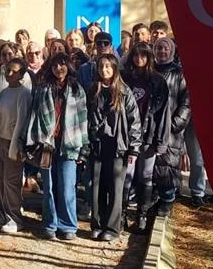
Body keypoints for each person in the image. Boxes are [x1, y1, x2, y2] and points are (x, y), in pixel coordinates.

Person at [22, 53, 89, 240]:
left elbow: (83, 120)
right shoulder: (43, 88)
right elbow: (34, 114)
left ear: (68, 66)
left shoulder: (77, 89)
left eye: (62, 65)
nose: (59, 69)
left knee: (68, 187)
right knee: (49, 187)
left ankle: (68, 225)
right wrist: (30, 140)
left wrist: (84, 147)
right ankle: (50, 223)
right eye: (55, 66)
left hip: (70, 144)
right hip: (47, 144)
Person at [87, 54, 141, 242]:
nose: (104, 70)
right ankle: (97, 224)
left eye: (108, 67)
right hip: (97, 145)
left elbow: (135, 121)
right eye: (101, 67)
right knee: (96, 187)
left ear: (115, 69)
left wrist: (134, 148)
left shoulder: (124, 92)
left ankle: (112, 227)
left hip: (118, 147)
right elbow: (86, 117)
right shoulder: (93, 90)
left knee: (116, 188)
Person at [123, 43, 169, 231]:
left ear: (149, 57)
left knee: (145, 176)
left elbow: (163, 113)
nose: (139, 59)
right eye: (136, 55)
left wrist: (161, 142)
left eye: (143, 56)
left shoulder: (158, 81)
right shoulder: (125, 77)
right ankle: (122, 214)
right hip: (127, 134)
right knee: (127, 175)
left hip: (149, 135)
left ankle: (141, 216)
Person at [0, 58, 32, 234]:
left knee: (11, 182)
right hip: (0, 138)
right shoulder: (5, 91)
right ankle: (4, 215)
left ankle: (14, 217)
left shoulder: (24, 94)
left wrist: (16, 147)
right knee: (0, 180)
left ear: (21, 74)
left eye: (14, 71)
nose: (9, 74)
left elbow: (22, 121)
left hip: (12, 142)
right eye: (7, 70)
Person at [152, 37, 189, 216]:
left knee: (168, 164)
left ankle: (167, 199)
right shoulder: (149, 70)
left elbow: (186, 102)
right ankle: (153, 198)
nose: (162, 51)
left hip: (171, 127)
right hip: (151, 126)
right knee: (152, 165)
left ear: (172, 51)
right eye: (158, 48)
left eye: (165, 48)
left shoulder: (180, 73)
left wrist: (176, 124)